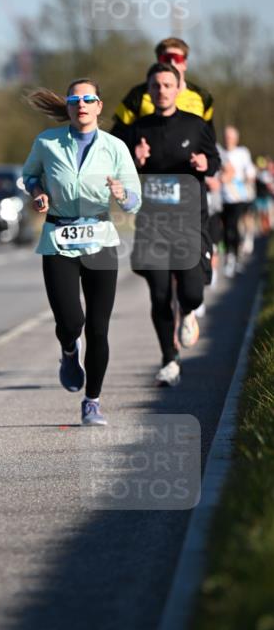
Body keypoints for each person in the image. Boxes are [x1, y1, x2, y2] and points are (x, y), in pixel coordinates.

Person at [22, 79, 141, 426]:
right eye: (75, 100)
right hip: (58, 239)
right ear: (69, 107)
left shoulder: (115, 147)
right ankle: (69, 350)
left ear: (99, 106)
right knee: (71, 321)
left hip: (100, 239)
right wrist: (38, 193)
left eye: (89, 99)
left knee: (99, 329)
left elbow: (134, 200)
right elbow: (29, 177)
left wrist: (122, 194)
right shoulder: (47, 142)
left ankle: (92, 401)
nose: (82, 104)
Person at [124, 63, 221, 387]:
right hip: (153, 225)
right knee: (159, 295)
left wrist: (205, 163)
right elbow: (123, 173)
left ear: (178, 88)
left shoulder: (196, 125)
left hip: (189, 223)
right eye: (156, 86)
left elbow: (214, 161)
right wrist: (136, 161)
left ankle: (189, 312)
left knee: (191, 294)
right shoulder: (138, 129)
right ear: (149, 91)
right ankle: (169, 359)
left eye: (167, 85)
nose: (162, 90)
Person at [112, 37, 215, 138]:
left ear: (185, 64)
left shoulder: (203, 97)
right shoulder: (137, 95)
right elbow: (117, 135)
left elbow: (209, 137)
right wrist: (135, 148)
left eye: (177, 58)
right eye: (166, 58)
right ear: (158, 61)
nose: (172, 63)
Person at [219, 125, 257, 277]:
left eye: (230, 137)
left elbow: (250, 169)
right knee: (225, 229)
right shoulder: (220, 152)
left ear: (236, 138)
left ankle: (233, 257)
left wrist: (250, 177)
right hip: (222, 197)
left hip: (238, 197)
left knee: (232, 227)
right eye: (226, 137)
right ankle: (231, 255)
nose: (227, 140)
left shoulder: (242, 152)